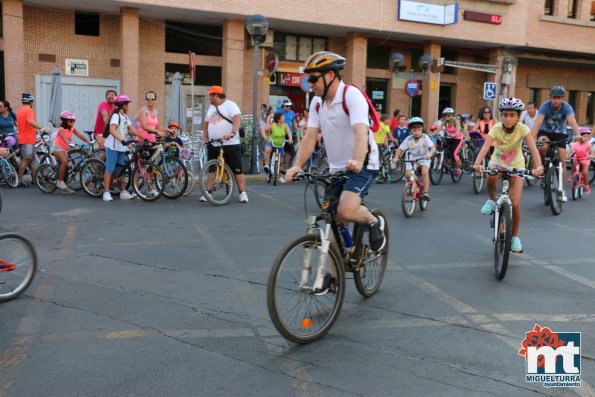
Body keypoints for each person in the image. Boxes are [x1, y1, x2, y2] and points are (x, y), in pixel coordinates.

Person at [284, 51, 385, 253]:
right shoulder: (317, 102)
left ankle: (373, 221)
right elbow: (310, 136)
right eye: (307, 78)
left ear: (330, 75)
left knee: (346, 210)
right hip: (336, 167)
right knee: (334, 220)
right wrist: (296, 165)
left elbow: (361, 132)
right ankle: (333, 280)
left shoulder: (351, 95)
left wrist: (357, 160)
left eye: (313, 78)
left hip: (363, 164)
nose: (310, 83)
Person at [473, 98, 543, 253]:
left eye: (512, 115)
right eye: (505, 114)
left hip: (516, 165)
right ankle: (492, 200)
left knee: (516, 205)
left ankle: (515, 237)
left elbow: (533, 150)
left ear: (518, 117)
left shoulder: (523, 129)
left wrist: (538, 167)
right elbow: (485, 148)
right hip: (497, 162)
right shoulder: (496, 128)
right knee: (490, 176)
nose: (508, 118)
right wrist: (477, 164)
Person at [530, 85, 582, 202]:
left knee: (562, 161)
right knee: (542, 146)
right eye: (554, 97)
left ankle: (561, 190)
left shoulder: (567, 107)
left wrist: (578, 134)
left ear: (562, 98)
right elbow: (537, 123)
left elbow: (572, 121)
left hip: (560, 133)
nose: (556, 100)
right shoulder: (545, 106)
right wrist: (533, 137)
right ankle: (542, 165)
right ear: (550, 98)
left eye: (558, 98)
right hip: (545, 132)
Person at [201, 85, 249, 203]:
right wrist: (205, 137)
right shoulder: (211, 107)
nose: (209, 98)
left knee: (237, 168)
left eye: (211, 96)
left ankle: (242, 193)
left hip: (230, 142)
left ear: (216, 95)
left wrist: (233, 132)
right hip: (213, 143)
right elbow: (207, 123)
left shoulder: (230, 105)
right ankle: (208, 192)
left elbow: (237, 118)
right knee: (211, 168)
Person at [102, 95, 144, 202]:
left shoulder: (124, 116)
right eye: (127, 104)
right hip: (113, 145)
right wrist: (122, 140)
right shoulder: (116, 116)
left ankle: (123, 191)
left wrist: (144, 138)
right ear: (123, 105)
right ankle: (106, 192)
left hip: (121, 146)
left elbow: (132, 129)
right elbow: (112, 130)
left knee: (121, 169)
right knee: (110, 168)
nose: (128, 106)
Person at [392, 117, 435, 201]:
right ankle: (413, 187)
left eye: (419, 129)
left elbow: (433, 148)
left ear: (422, 129)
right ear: (411, 130)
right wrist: (396, 157)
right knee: (408, 175)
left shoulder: (425, 137)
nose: (417, 132)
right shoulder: (408, 139)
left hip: (424, 158)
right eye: (414, 130)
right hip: (412, 160)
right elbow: (400, 149)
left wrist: (429, 154)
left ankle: (426, 192)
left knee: (425, 172)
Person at [16, 93, 51, 187]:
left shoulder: (19, 110)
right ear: (31, 101)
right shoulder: (29, 110)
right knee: (26, 160)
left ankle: (34, 179)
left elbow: (24, 124)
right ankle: (20, 181)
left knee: (30, 160)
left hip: (23, 138)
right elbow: (30, 122)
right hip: (27, 140)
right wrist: (43, 128)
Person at [51, 111, 90, 194]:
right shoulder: (61, 129)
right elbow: (64, 138)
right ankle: (59, 181)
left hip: (64, 148)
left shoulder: (72, 128)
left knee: (66, 167)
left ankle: (64, 187)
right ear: (65, 121)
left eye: (73, 120)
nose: (73, 122)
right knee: (64, 161)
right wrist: (70, 144)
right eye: (70, 121)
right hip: (57, 147)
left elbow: (80, 135)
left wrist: (88, 140)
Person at [438, 107, 466, 174]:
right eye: (445, 115)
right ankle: (447, 162)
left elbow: (458, 130)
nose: (447, 117)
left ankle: (458, 168)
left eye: (449, 115)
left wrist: (454, 134)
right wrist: (431, 134)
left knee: (454, 153)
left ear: (452, 115)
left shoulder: (456, 121)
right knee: (443, 148)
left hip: (458, 138)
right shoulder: (445, 122)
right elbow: (438, 129)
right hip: (450, 138)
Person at [568, 128, 594, 194]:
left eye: (588, 137)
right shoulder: (575, 144)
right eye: (584, 136)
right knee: (574, 162)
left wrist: (592, 156)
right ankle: (572, 175)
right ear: (580, 136)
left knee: (585, 173)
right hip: (577, 158)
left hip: (585, 159)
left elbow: (592, 153)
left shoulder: (588, 144)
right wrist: (568, 155)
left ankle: (586, 186)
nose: (586, 138)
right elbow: (570, 151)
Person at [93, 89, 117, 158]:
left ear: (115, 97)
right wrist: (107, 121)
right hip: (100, 133)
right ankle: (97, 167)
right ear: (106, 97)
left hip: (111, 132)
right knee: (107, 150)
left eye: (112, 95)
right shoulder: (103, 104)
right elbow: (105, 116)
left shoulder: (116, 107)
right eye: (108, 95)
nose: (110, 96)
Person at [281, 98, 297, 170]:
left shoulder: (292, 112)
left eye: (289, 106)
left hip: (289, 134)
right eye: (286, 106)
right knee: (280, 152)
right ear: (283, 105)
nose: (288, 107)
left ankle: (287, 169)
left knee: (288, 153)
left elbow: (294, 123)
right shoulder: (278, 112)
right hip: (280, 134)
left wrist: (298, 132)